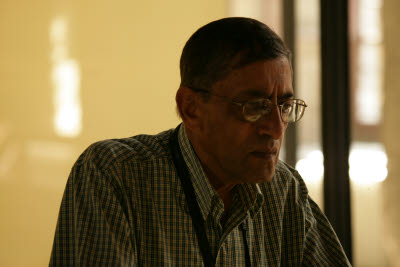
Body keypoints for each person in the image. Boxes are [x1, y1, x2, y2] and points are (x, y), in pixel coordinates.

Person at [50, 17, 351, 266]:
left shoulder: (283, 190)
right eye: (254, 106)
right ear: (191, 108)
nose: (275, 128)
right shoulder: (116, 176)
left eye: (284, 106)